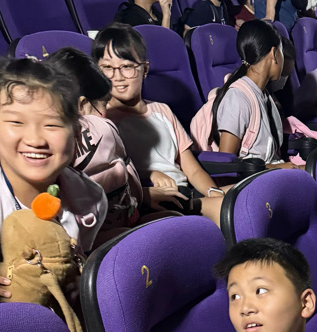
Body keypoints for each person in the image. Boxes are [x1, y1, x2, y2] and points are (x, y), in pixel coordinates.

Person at [0, 57, 107, 299]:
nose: (35, 140)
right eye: (16, 122)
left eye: (52, 125)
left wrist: (78, 279)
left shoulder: (90, 199)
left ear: (76, 132)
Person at [93, 24, 227, 226]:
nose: (118, 77)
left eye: (127, 67)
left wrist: (213, 191)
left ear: (145, 69)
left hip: (185, 193)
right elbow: (110, 180)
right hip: (151, 201)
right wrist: (147, 181)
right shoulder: (103, 121)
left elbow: (192, 169)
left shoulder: (162, 110)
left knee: (247, 194)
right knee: (226, 209)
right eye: (108, 68)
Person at [44, 48, 144, 239]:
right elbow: (134, 185)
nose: (105, 113)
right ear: (82, 105)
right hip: (103, 237)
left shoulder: (42, 142)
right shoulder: (103, 127)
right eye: (103, 105)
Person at [191, 20, 286, 163]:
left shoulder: (263, 94)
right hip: (258, 176)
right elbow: (227, 165)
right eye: (281, 51)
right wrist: (276, 168)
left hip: (271, 171)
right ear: (273, 53)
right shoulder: (237, 98)